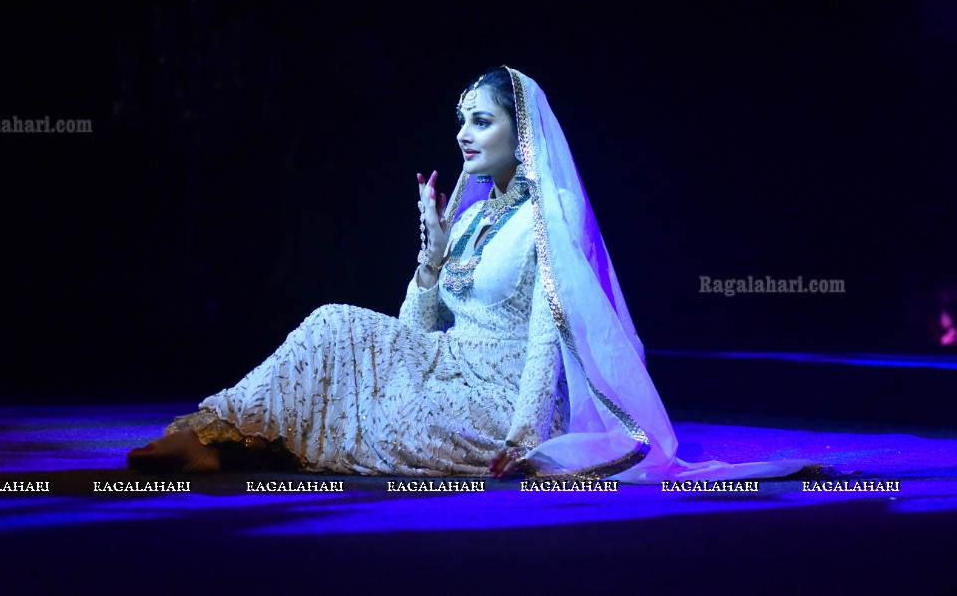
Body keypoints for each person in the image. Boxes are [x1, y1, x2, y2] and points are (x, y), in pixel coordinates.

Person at [128, 66, 808, 482]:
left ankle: (240, 448)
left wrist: (523, 434)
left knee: (388, 417)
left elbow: (550, 332)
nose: (463, 133)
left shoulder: (554, 210)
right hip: (445, 367)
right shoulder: (476, 215)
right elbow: (409, 332)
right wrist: (430, 252)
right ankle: (219, 435)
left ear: (522, 132)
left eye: (480, 121)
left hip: (498, 399)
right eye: (460, 120)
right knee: (333, 321)